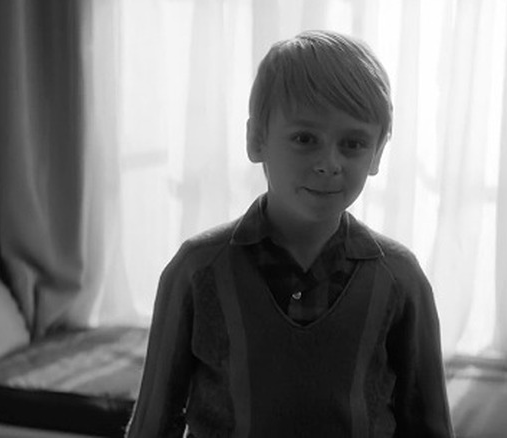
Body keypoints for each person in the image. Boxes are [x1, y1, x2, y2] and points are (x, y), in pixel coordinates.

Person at [126, 29, 453, 438]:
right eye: (304, 139)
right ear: (256, 139)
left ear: (378, 153)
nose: (329, 163)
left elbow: (428, 427)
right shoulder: (196, 271)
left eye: (352, 144)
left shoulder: (400, 279)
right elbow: (152, 426)